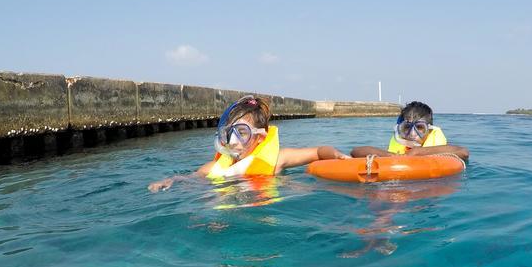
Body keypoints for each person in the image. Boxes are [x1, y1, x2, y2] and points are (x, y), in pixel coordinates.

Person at [148, 95, 347, 191]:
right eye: (229, 133)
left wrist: (337, 156)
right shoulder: (218, 166)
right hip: (229, 213)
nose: (233, 141)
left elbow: (319, 152)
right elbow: (192, 177)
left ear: (259, 137)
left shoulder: (279, 159)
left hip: (266, 215)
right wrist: (170, 180)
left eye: (242, 133)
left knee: (300, 188)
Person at [350, 101, 469, 161]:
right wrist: (391, 156)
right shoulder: (398, 151)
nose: (412, 134)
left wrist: (418, 152)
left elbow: (463, 152)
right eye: (406, 128)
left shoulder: (437, 146)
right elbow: (355, 152)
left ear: (429, 130)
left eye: (420, 128)